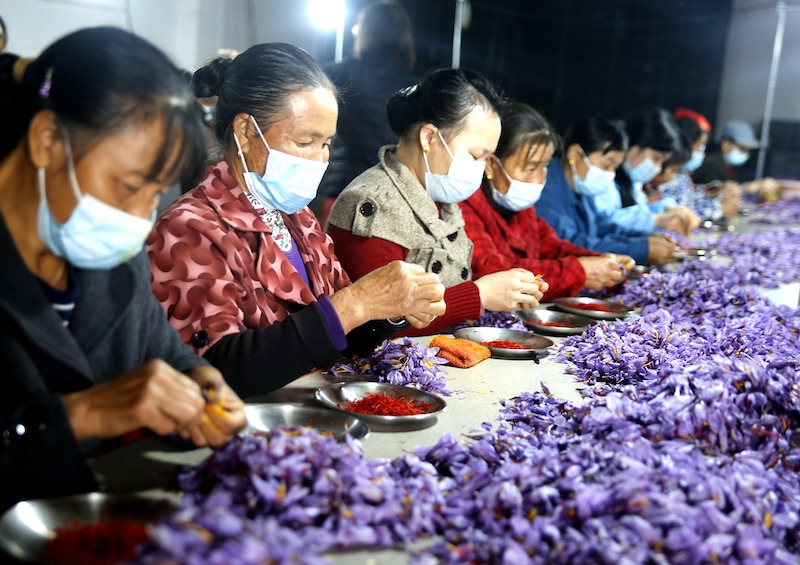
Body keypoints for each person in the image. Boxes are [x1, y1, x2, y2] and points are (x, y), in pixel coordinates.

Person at [0, 27, 246, 510]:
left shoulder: (108, 250)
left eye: (155, 193)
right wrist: (79, 417)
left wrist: (201, 384)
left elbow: (161, 351)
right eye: (128, 185)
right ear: (48, 139)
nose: (139, 217)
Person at [147, 43, 445, 398]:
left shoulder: (298, 219)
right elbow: (210, 373)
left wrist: (391, 308)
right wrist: (356, 303)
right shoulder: (189, 229)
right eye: (306, 141)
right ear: (245, 131)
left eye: (327, 143)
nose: (320, 159)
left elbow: (338, 333)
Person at [328, 69, 548, 332]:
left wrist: (510, 288)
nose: (482, 169)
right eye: (476, 156)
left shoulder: (442, 200)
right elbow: (377, 325)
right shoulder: (369, 202)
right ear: (429, 138)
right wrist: (480, 294)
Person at [459, 102, 630, 300]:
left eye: (545, 166)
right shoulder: (465, 205)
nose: (540, 178)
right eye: (531, 168)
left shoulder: (522, 209)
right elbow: (493, 270)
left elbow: (552, 246)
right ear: (491, 164)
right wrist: (579, 270)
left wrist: (599, 261)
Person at [315, 0, 418, 224]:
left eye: (359, 25)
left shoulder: (342, 74)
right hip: (395, 198)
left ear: (370, 31)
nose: (354, 31)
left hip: (346, 191)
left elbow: (300, 79)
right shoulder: (415, 87)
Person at [536, 115, 682, 266]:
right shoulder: (546, 190)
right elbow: (571, 245)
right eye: (606, 165)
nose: (609, 174)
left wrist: (643, 239)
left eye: (614, 168)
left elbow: (600, 227)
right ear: (575, 154)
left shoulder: (581, 188)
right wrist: (640, 248)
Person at [591, 108, 699, 236]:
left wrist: (665, 208)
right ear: (636, 145)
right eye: (657, 158)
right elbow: (602, 224)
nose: (658, 168)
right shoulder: (603, 176)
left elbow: (637, 211)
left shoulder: (632, 182)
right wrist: (657, 219)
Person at [658, 108, 740, 220]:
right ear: (687, 144)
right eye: (700, 146)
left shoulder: (682, 173)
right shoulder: (666, 172)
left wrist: (712, 193)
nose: (701, 152)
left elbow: (689, 198)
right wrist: (718, 209)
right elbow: (675, 212)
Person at [693, 118, 780, 202]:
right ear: (726, 144)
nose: (746, 153)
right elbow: (714, 193)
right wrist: (751, 187)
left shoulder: (730, 166)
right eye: (742, 148)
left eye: (748, 150)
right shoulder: (710, 165)